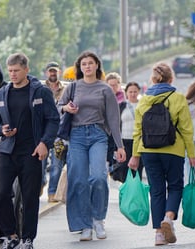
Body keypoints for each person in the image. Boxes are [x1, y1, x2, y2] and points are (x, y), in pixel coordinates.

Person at [0, 52, 60, 249]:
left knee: (29, 197)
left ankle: (27, 239)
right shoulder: (2, 93)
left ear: (26, 70)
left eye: (16, 71)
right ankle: (10, 235)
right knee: (1, 194)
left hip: (32, 152)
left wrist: (45, 142)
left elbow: (53, 119)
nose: (12, 74)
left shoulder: (40, 92)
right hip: (7, 151)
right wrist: (0, 130)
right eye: (10, 71)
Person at [58, 51, 126, 242]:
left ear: (97, 65)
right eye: (83, 64)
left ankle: (98, 219)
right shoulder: (72, 87)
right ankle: (85, 225)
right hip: (77, 136)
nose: (87, 66)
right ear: (80, 68)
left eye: (90, 63)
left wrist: (119, 146)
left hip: (98, 135)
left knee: (98, 177)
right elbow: (58, 107)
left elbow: (114, 119)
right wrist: (66, 108)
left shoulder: (105, 89)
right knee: (78, 180)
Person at [128, 62, 195, 246]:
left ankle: (159, 234)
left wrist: (135, 155)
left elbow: (137, 130)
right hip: (173, 149)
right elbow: (186, 129)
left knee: (156, 190)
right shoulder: (178, 98)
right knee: (175, 186)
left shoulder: (143, 100)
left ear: (153, 79)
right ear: (171, 78)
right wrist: (191, 153)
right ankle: (168, 218)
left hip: (148, 150)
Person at [111, 81, 144, 182]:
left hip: (138, 142)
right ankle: (125, 195)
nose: (133, 94)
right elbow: (115, 126)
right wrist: (116, 146)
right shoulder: (121, 106)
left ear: (139, 92)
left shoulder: (143, 105)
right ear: (126, 93)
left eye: (135, 91)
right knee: (123, 170)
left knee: (137, 170)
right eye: (130, 92)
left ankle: (135, 195)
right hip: (124, 142)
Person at [42, 61, 65, 203]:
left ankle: (52, 193)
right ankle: (41, 182)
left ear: (59, 72)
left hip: (59, 133)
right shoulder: (41, 89)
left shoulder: (65, 90)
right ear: (46, 73)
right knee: (41, 164)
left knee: (57, 165)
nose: (52, 74)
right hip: (43, 133)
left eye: (55, 71)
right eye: (50, 71)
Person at [105, 72, 125, 175]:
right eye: (110, 85)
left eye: (115, 85)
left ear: (119, 85)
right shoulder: (102, 100)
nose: (113, 87)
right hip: (105, 137)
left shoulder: (124, 102)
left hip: (120, 137)